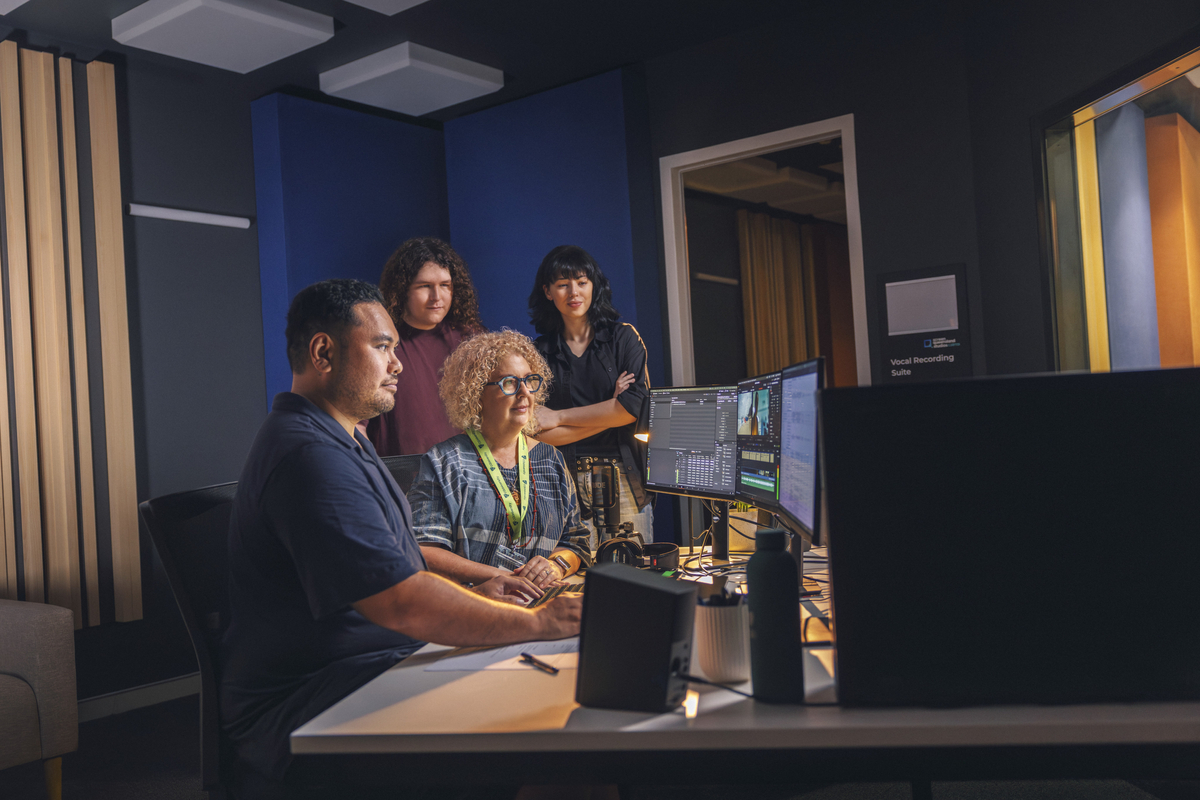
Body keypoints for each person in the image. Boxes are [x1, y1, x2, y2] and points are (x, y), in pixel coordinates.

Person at [220, 279, 579, 797]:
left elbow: (401, 573)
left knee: (548, 704)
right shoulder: (310, 456)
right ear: (324, 351)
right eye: (383, 347)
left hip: (373, 664)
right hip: (312, 703)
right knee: (552, 746)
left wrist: (475, 598)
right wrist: (540, 620)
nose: (399, 363)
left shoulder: (343, 439)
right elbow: (402, 602)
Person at [408, 330, 592, 589]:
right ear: (475, 393)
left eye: (530, 381)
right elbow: (424, 551)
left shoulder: (551, 459)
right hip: (474, 604)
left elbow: (576, 542)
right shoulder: (444, 462)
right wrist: (500, 578)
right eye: (509, 382)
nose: (525, 392)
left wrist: (555, 565)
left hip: (542, 602)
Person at [527, 245, 653, 546]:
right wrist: (611, 411)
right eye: (562, 284)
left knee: (632, 576)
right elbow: (536, 433)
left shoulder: (623, 337)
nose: (574, 292)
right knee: (577, 575)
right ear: (548, 291)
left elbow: (634, 407)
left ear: (593, 286)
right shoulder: (537, 352)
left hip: (623, 474)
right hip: (564, 478)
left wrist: (558, 417)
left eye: (582, 282)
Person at [366, 237, 486, 457]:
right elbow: (357, 425)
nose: (437, 297)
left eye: (445, 286)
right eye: (425, 286)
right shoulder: (379, 343)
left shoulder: (472, 339)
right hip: (401, 480)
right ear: (403, 290)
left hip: (466, 477)